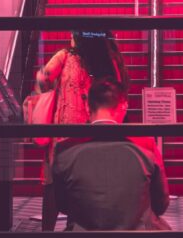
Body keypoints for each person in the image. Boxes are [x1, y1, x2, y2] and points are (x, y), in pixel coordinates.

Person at [34, 31, 129, 230]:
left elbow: (43, 79)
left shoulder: (65, 56)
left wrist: (55, 92)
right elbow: (119, 94)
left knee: (52, 185)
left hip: (62, 133)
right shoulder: (106, 60)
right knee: (82, 185)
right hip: (92, 133)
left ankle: (47, 231)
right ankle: (74, 227)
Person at [52, 78, 171, 231]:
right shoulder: (146, 146)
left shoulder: (65, 149)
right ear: (123, 107)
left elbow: (62, 205)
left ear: (88, 107)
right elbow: (161, 204)